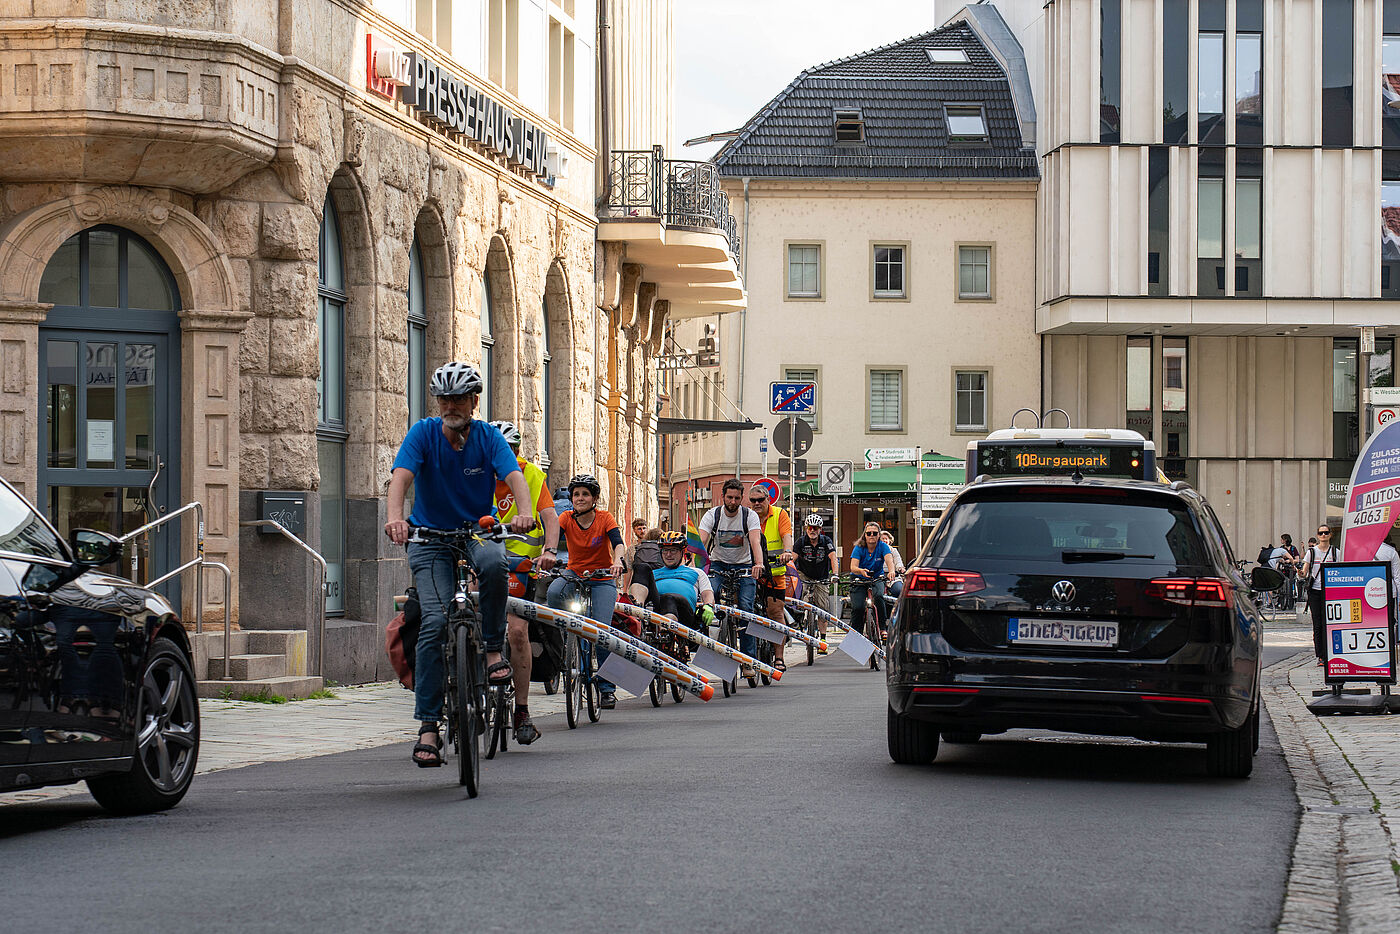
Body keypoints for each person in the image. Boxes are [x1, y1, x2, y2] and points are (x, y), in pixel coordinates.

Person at [384, 362, 536, 768]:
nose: (451, 405)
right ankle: (429, 727)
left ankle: (490, 650)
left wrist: (523, 512)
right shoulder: (423, 433)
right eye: (444, 398)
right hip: (429, 537)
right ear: (438, 402)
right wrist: (396, 517)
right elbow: (400, 477)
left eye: (459, 398)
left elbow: (514, 476)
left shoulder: (487, 437)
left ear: (474, 401)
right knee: (433, 622)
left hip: (477, 530)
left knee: (493, 564)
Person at [489, 419, 560, 746]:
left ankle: (521, 709)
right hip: (482, 558)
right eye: (502, 452)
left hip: (521, 565)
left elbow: (549, 518)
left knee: (517, 631)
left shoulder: (531, 474)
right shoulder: (477, 474)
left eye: (514, 451)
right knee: (468, 618)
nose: (509, 458)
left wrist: (549, 550)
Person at [546, 474, 625, 708]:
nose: (580, 498)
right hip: (574, 574)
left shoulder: (604, 518)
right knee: (553, 592)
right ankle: (567, 637)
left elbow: (618, 543)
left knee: (601, 632)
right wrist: (547, 556)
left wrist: (618, 561)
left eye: (585, 494)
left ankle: (607, 688)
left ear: (594, 498)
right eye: (576, 494)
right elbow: (552, 540)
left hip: (602, 577)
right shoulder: (565, 518)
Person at [696, 478, 765, 675]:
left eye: (736, 498)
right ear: (723, 497)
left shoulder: (749, 516)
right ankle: (712, 649)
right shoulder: (712, 515)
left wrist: (758, 564)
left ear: (741, 498)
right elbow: (701, 541)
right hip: (718, 563)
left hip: (744, 565)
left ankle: (748, 661)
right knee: (710, 599)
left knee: (745, 608)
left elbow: (755, 541)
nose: (733, 502)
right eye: (729, 497)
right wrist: (695, 564)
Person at [629, 530, 717, 634]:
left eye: (673, 550)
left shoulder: (697, 572)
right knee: (641, 568)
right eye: (665, 550)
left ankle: (666, 634)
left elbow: (707, 594)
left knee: (668, 598)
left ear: (682, 552)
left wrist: (708, 606)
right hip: (656, 607)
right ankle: (636, 615)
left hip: (684, 612)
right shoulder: (653, 573)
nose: (668, 555)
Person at [747, 483, 795, 671]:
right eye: (753, 500)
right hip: (751, 574)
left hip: (774, 573)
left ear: (768, 499)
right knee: (743, 611)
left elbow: (787, 535)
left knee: (775, 613)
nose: (757, 503)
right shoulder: (747, 516)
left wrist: (787, 551)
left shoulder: (779, 514)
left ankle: (779, 657)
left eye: (760, 500)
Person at [795, 514, 838, 653]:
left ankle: (823, 639)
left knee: (823, 607)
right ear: (806, 528)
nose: (812, 531)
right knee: (800, 596)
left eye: (815, 528)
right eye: (809, 528)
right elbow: (793, 558)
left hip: (821, 576)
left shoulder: (826, 541)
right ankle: (800, 617)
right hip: (804, 574)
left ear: (820, 529)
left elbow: (833, 558)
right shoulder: (801, 541)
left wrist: (835, 575)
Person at [850, 521, 897, 640]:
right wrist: (861, 571)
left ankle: (882, 627)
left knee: (879, 596)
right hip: (859, 577)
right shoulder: (859, 548)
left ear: (879, 535)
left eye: (875, 533)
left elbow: (889, 560)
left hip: (877, 577)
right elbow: (853, 567)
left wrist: (891, 571)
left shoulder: (883, 546)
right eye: (869, 533)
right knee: (858, 607)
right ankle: (856, 634)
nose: (871, 535)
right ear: (864, 535)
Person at [1301, 525, 1339, 664]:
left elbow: (1341, 570)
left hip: (1331, 591)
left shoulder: (1335, 552)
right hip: (1315, 592)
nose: (1323, 535)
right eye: (1321, 533)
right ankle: (1321, 656)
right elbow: (1304, 571)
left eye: (1326, 533)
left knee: (1330, 623)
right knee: (1317, 624)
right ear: (1317, 535)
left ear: (1330, 535)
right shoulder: (1312, 552)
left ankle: (1332, 653)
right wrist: (1300, 573)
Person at [880, 530, 907, 597]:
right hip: (879, 577)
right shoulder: (875, 551)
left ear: (889, 541)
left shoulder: (893, 551)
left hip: (893, 577)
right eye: (882, 539)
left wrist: (900, 568)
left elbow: (898, 562)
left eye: (886, 539)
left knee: (898, 590)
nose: (884, 540)